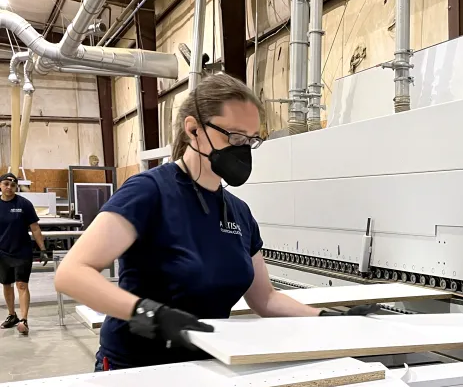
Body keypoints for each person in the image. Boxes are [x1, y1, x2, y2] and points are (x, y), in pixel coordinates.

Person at [55, 73, 374, 370]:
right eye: (235, 137)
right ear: (193, 129)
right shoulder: (150, 192)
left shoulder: (239, 213)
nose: (243, 149)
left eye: (251, 141)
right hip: (136, 369)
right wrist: (151, 315)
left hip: (209, 365)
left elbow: (265, 299)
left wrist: (326, 318)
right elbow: (72, 274)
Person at [0, 172, 48, 336]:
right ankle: (12, 315)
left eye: (13, 185)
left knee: (21, 285)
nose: (9, 187)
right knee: (6, 284)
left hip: (22, 251)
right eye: (6, 184)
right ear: (0, 186)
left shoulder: (24, 204)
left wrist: (42, 249)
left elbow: (35, 228)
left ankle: (24, 319)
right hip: (2, 252)